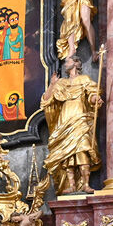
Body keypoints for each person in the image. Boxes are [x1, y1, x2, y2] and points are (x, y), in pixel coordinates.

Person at [40, 56, 101, 195]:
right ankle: (72, 185)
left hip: (80, 117)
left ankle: (86, 184)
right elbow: (46, 100)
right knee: (67, 153)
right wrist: (52, 84)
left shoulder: (84, 79)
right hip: (65, 119)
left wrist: (95, 98)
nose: (65, 64)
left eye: (68, 61)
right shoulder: (62, 82)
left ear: (76, 63)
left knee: (82, 149)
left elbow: (92, 94)